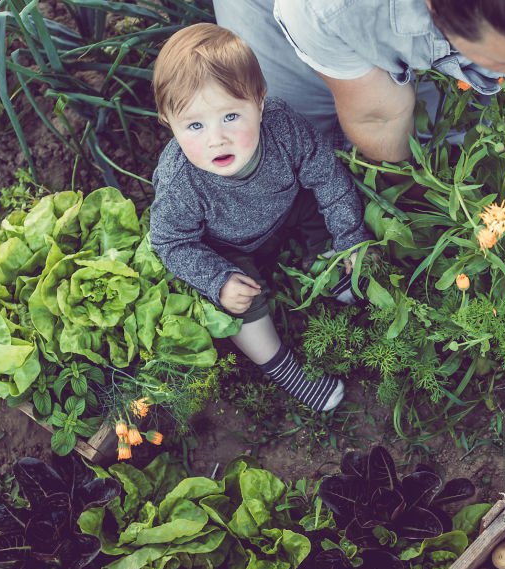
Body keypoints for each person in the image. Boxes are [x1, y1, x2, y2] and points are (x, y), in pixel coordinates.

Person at [214, 0, 505, 423]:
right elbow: (379, 118)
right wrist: (405, 213)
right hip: (305, 16)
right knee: (287, 149)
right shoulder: (330, 7)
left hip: (401, 26)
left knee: (446, 143)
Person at [149, 24, 372, 412]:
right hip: (227, 246)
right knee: (238, 303)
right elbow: (169, 241)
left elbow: (326, 174)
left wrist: (351, 237)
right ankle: (284, 370)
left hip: (284, 208)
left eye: (231, 116)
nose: (216, 138)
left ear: (260, 102)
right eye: (195, 125)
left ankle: (332, 263)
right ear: (169, 121)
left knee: (317, 202)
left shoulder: (283, 127)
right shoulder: (181, 182)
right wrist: (216, 279)